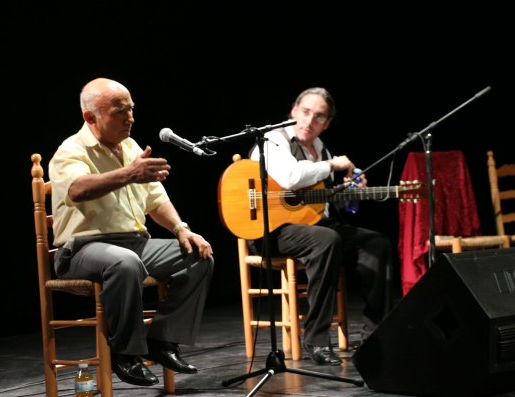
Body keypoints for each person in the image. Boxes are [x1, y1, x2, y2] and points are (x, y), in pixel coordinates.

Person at [49, 77, 214, 386]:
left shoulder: (131, 147)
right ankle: (125, 354)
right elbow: (77, 189)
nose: (130, 118)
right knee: (124, 263)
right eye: (119, 111)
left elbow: (155, 198)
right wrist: (128, 173)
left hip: (134, 244)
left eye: (132, 109)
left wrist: (181, 229)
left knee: (197, 256)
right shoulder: (70, 150)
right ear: (91, 117)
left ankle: (163, 341)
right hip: (82, 249)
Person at [248, 87, 392, 366]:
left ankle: (376, 333)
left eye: (319, 117)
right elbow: (291, 177)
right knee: (326, 239)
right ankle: (316, 340)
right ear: (293, 110)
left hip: (315, 226)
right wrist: (331, 165)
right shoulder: (272, 140)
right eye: (305, 112)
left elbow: (321, 201)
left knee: (377, 244)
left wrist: (351, 191)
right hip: (271, 230)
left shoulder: (319, 148)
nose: (309, 121)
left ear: (326, 123)